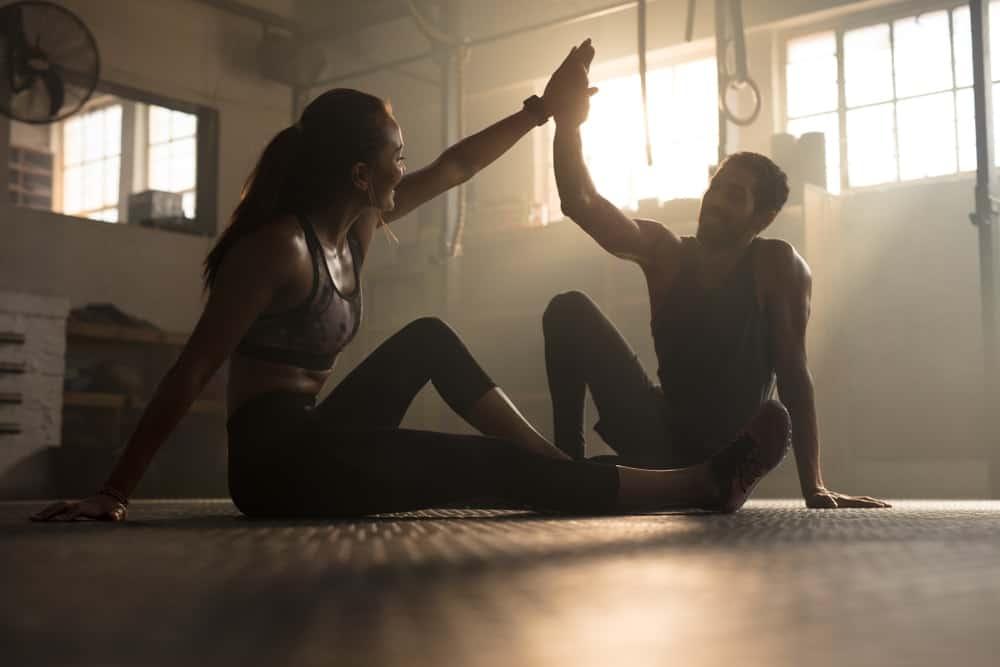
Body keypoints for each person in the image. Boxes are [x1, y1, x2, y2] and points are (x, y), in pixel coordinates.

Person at [31, 41, 790, 523]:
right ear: (361, 174)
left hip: (316, 434)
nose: (406, 163)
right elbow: (194, 365)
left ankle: (557, 471)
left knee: (428, 338)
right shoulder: (278, 250)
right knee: (489, 472)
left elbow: (455, 167)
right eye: (395, 153)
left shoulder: (352, 228)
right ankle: (698, 483)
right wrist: (116, 489)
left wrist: (542, 113)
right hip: (277, 471)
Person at [541, 40, 888, 510]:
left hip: (727, 451)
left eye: (736, 196)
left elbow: (793, 373)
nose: (718, 200)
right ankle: (568, 471)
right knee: (568, 309)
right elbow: (579, 203)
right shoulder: (665, 252)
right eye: (717, 187)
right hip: (659, 436)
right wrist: (568, 122)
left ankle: (705, 481)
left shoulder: (775, 265)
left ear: (761, 217)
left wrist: (815, 488)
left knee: (776, 415)